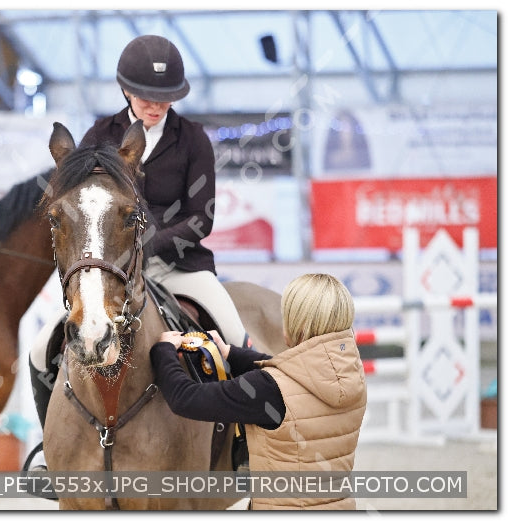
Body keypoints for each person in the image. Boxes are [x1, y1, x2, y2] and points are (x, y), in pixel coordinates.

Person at [28, 34, 248, 432]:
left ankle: (242, 441)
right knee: (40, 349)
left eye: (165, 96)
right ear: (125, 88)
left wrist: (148, 244)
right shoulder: (100, 135)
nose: (154, 104)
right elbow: (84, 205)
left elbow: (202, 219)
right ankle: (51, 447)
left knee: (233, 333)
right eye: (145, 94)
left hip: (182, 268)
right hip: (112, 271)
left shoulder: (194, 140)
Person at [150, 273, 367, 510]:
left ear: (298, 324)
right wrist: (229, 353)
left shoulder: (268, 389)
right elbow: (294, 371)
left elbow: (185, 398)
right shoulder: (351, 374)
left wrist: (163, 352)